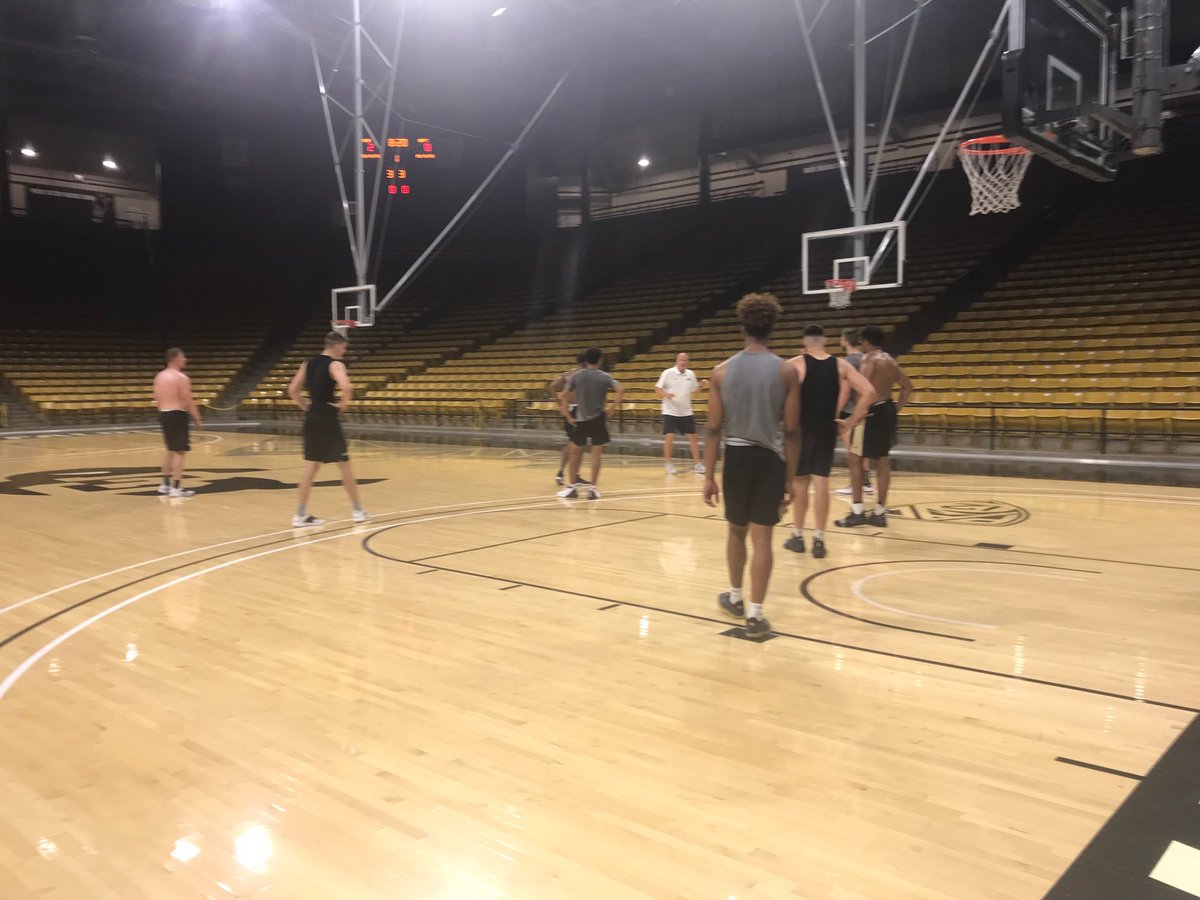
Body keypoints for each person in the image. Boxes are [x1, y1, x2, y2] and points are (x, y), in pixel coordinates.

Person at [702, 293, 800, 639]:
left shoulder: (721, 372)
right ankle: (756, 616)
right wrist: (790, 479)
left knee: (735, 531)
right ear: (772, 328)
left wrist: (709, 476)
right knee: (763, 540)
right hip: (770, 460)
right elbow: (791, 430)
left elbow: (713, 429)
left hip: (736, 458)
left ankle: (735, 596)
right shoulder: (786, 371)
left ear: (742, 327)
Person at [784, 324, 875, 558]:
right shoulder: (840, 365)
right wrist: (851, 421)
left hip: (802, 431)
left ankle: (797, 535)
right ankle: (819, 539)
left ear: (805, 341)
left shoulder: (795, 364)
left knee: (801, 483)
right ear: (824, 340)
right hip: (827, 429)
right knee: (821, 481)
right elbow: (869, 392)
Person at [287, 331, 369, 527]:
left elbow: (292, 390)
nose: (345, 351)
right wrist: (342, 405)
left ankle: (300, 515)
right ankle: (358, 511)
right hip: (328, 417)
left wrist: (307, 407)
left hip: (312, 415)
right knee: (344, 463)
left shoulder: (307, 364)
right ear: (336, 346)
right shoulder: (336, 364)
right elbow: (347, 388)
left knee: (311, 466)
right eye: (344, 347)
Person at [836, 324, 912, 528]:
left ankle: (858, 511)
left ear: (867, 341)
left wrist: (854, 418)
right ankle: (879, 512)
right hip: (887, 409)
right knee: (883, 460)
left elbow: (865, 389)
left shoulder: (868, 359)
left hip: (870, 411)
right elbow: (908, 387)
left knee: (854, 458)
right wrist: (895, 408)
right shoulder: (891, 361)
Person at [557, 348, 624, 500]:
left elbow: (564, 395)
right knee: (596, 455)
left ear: (586, 360)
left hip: (581, 418)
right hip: (598, 418)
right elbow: (620, 389)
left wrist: (568, 416)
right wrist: (612, 408)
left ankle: (572, 487)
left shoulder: (577, 376)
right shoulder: (605, 376)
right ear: (600, 360)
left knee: (574, 453)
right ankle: (592, 489)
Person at [154, 347, 203, 498]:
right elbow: (188, 400)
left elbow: (157, 400)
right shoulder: (181, 378)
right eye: (183, 357)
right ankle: (176, 488)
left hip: (164, 414)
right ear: (175, 358)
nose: (185, 359)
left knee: (170, 449)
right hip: (177, 414)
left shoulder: (159, 377)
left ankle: (165, 485)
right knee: (180, 452)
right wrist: (197, 418)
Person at [655, 352, 708, 475]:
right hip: (670, 410)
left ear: (687, 362)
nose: (683, 362)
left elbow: (695, 391)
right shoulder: (668, 373)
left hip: (686, 410)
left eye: (685, 360)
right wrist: (667, 394)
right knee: (670, 436)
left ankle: (697, 464)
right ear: (677, 361)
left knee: (693, 437)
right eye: (681, 360)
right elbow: (658, 388)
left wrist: (700, 385)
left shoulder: (691, 374)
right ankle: (668, 463)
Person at [836, 328, 873, 496]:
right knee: (861, 449)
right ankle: (866, 482)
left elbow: (845, 390)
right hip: (867, 408)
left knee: (852, 451)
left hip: (851, 410)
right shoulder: (867, 358)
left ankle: (855, 484)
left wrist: (835, 411)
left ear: (845, 340)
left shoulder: (848, 362)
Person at [548, 353, 586, 485]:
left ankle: (569, 473)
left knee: (576, 443)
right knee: (576, 444)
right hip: (578, 410)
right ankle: (564, 473)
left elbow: (552, 386)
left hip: (569, 409)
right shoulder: (583, 374)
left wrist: (559, 402)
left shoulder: (568, 373)